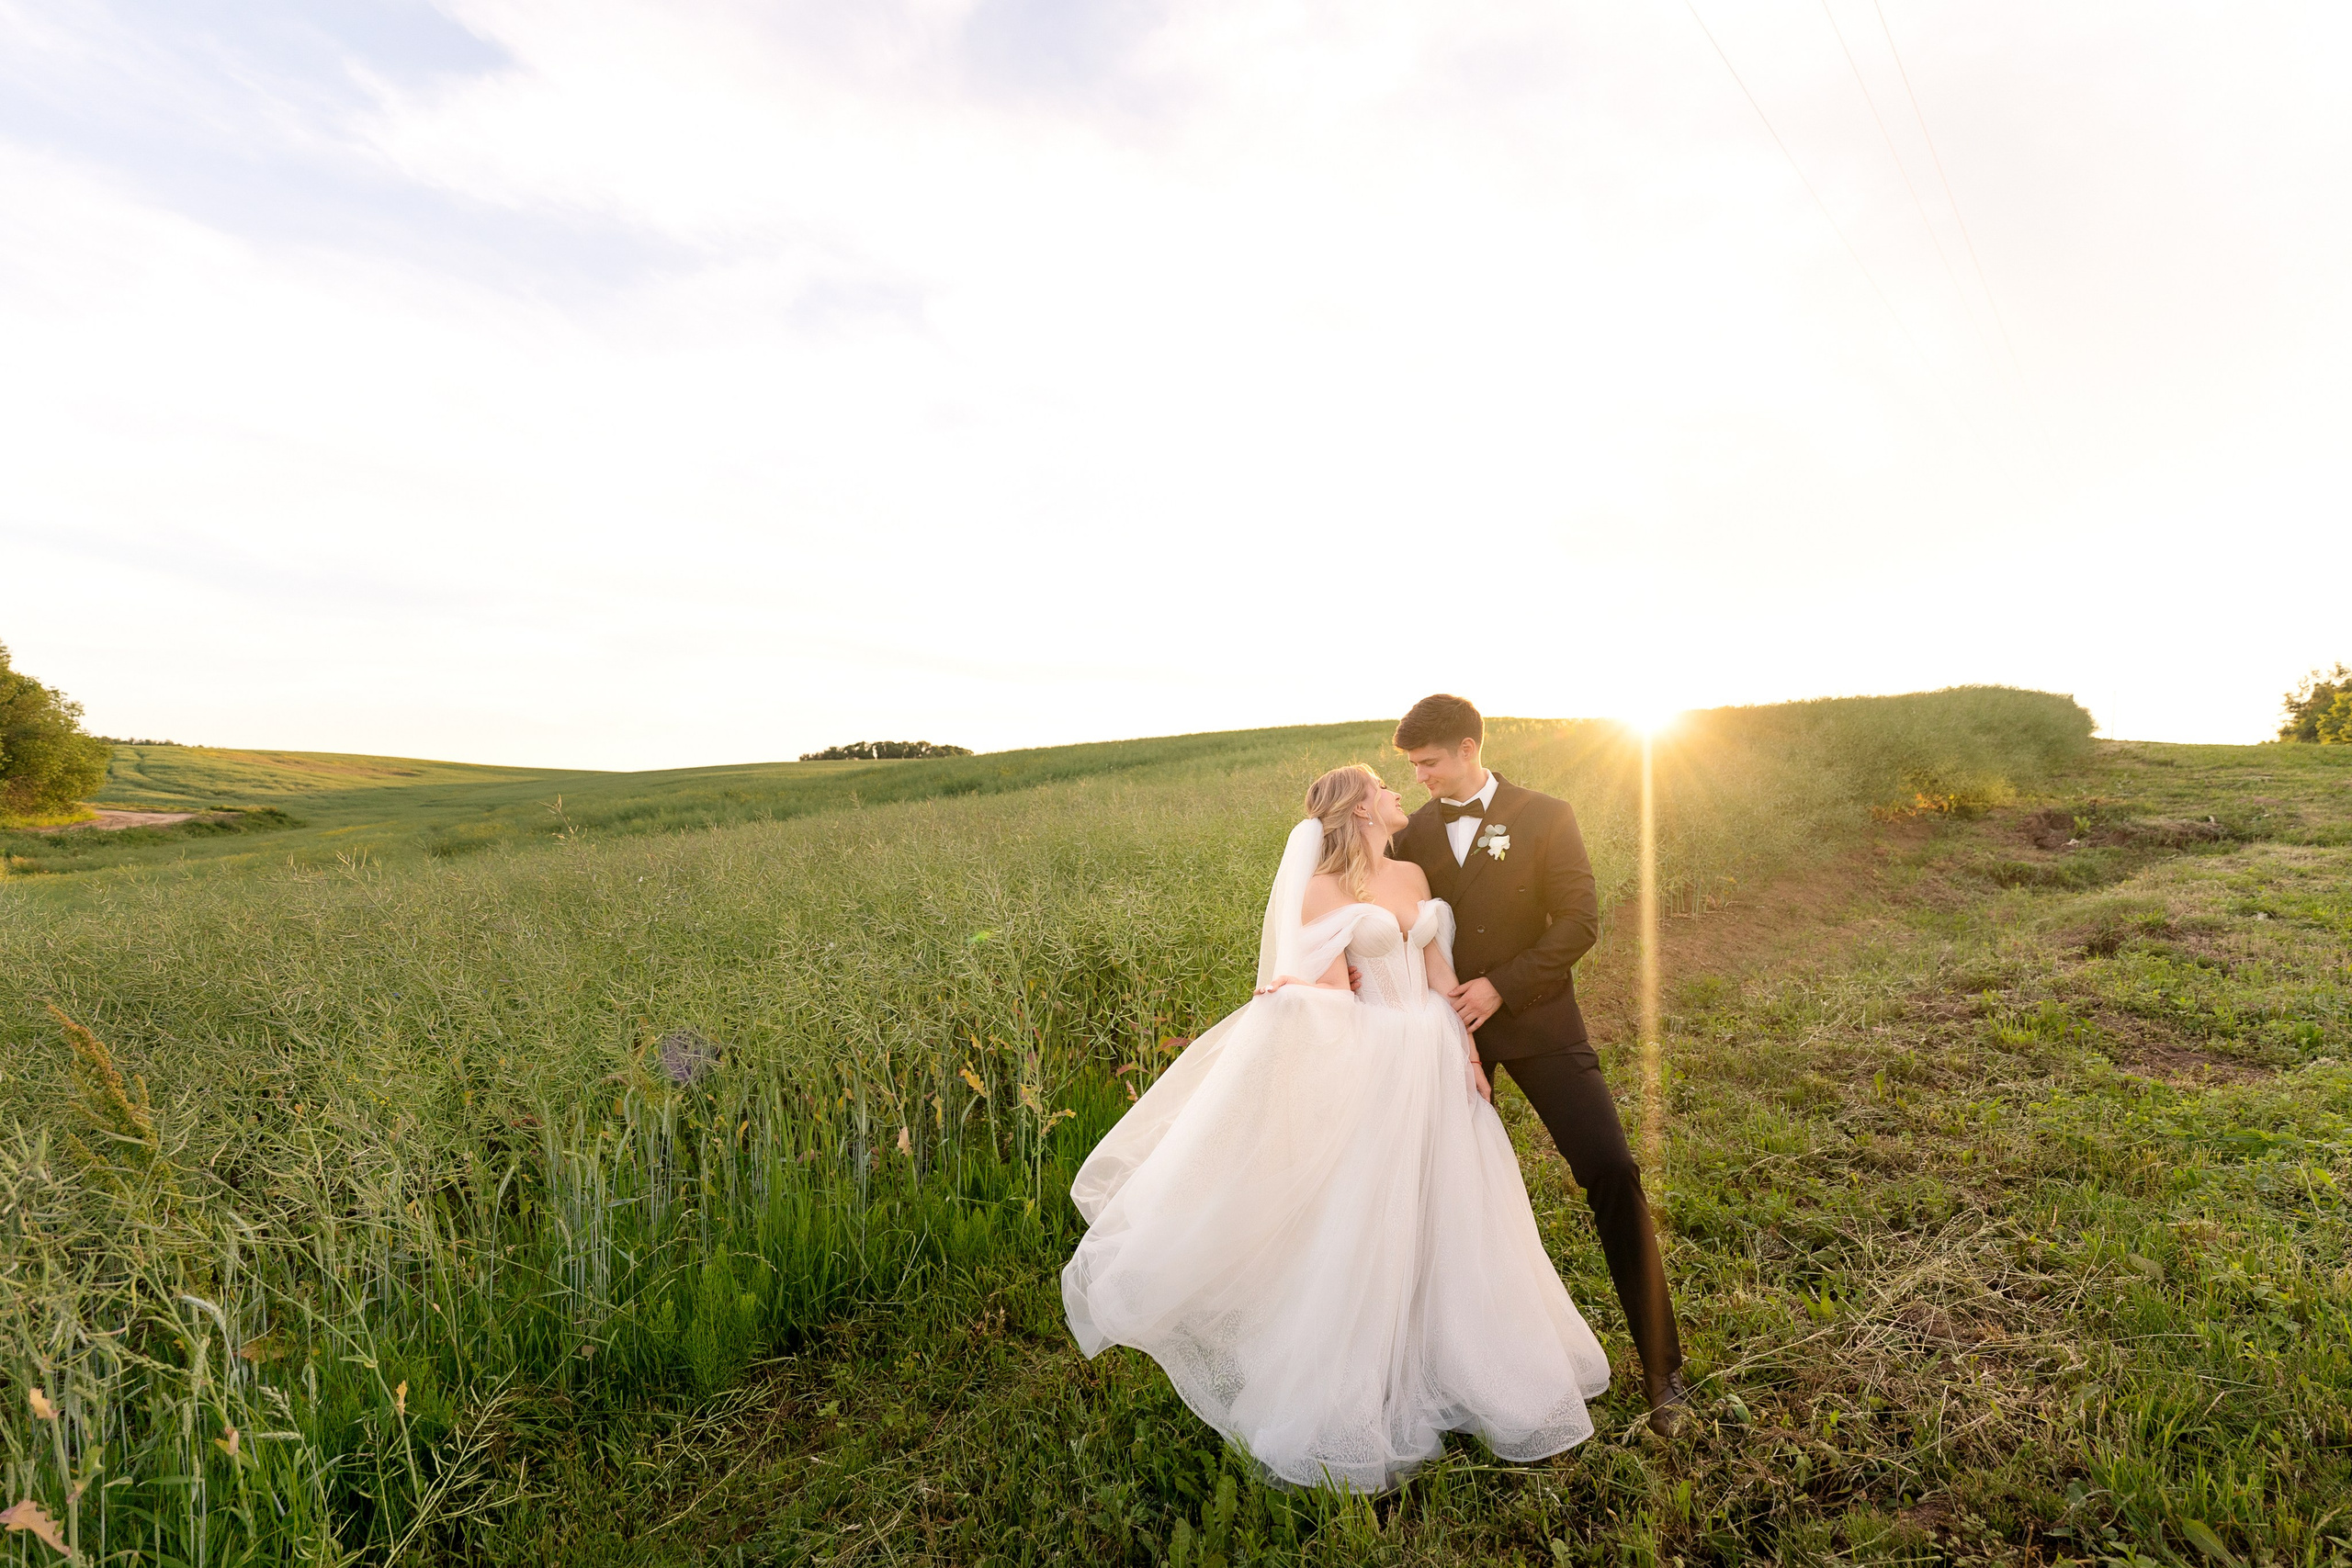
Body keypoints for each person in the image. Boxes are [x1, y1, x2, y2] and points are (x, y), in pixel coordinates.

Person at [1060, 764, 1611, 1493]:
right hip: (1380, 1058)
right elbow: (1331, 992)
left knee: (1453, 1204)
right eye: (1383, 786)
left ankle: (1457, 1351)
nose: (1397, 792)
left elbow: (1440, 973)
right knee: (1374, 1212)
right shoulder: (1322, 889)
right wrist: (1297, 990)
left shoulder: (1412, 872)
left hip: (1437, 1052)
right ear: (1358, 809)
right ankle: (1360, 1378)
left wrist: (1471, 1055)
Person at [1382, 693, 1688, 1434]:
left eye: (1428, 762)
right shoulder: (1410, 833)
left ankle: (1663, 1367)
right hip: (1448, 1036)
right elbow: (1378, 912)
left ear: (1467, 748)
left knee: (1612, 1168)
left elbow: (1581, 919)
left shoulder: (1547, 814)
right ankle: (1436, 1375)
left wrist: (1502, 985)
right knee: (1430, 1195)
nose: (1420, 776)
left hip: (1541, 1020)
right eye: (1413, 766)